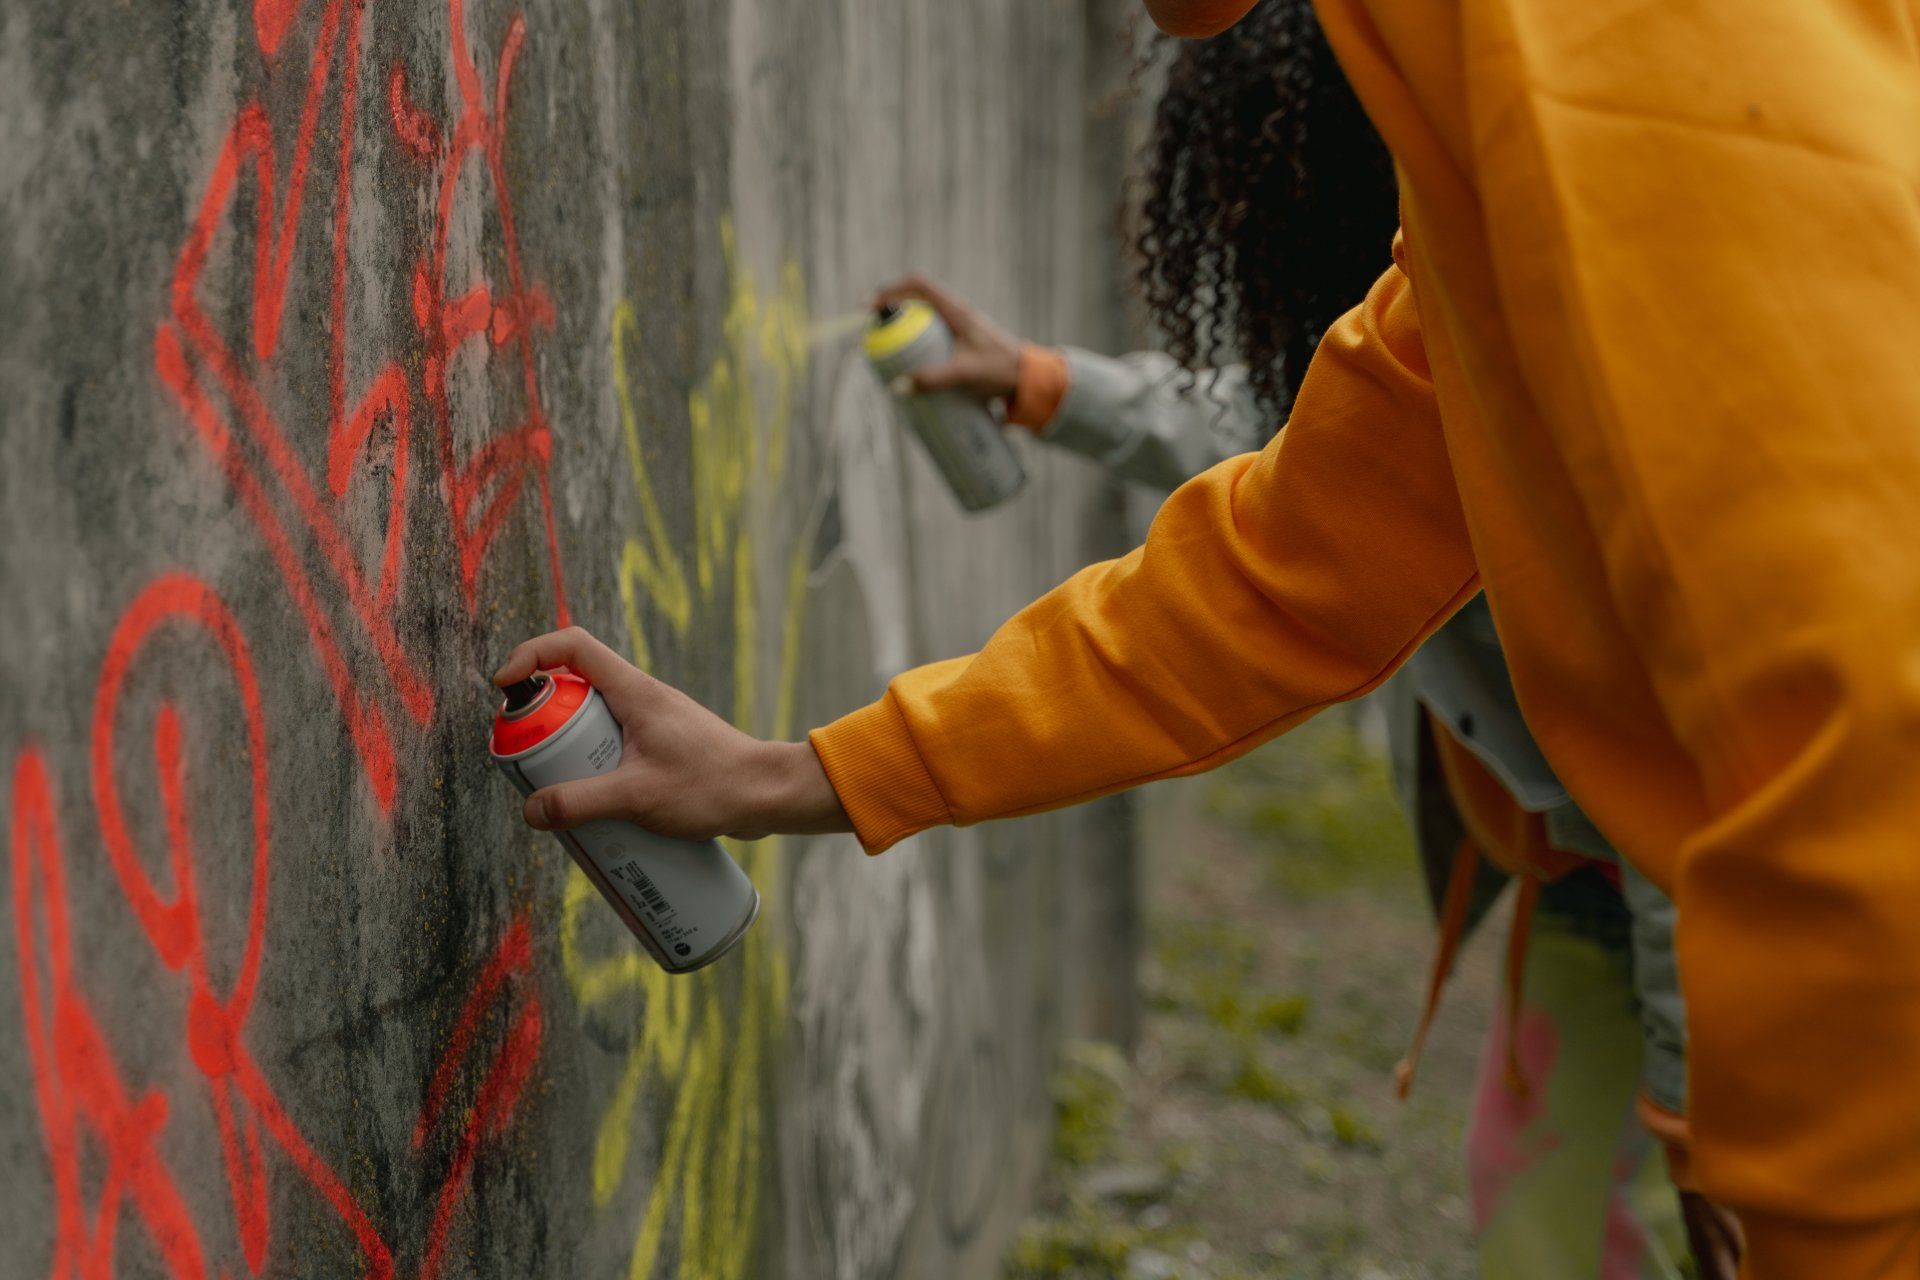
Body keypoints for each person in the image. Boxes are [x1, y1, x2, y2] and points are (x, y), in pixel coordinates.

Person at [501, 0, 1920, 1272]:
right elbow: (1275, 573)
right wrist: (791, 775)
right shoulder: (1482, 136)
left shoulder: (1630, 59)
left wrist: (1803, 1217)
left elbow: (1845, 721)